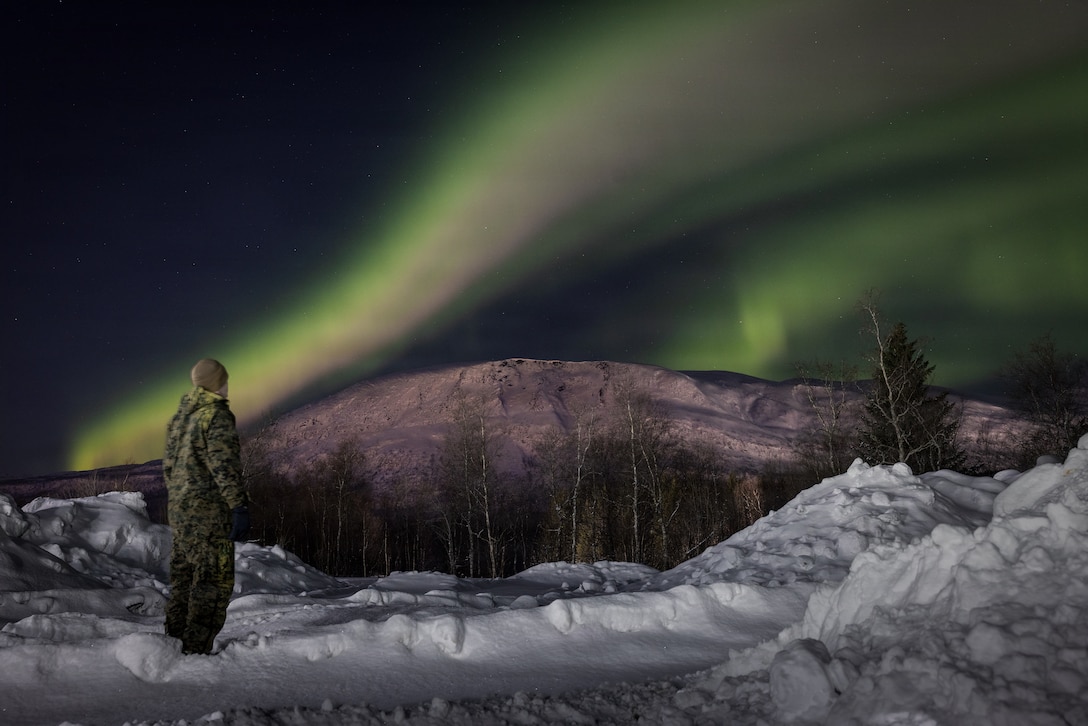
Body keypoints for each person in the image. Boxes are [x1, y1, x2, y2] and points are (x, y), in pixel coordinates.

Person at [163, 358, 250, 655]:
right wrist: (238, 506)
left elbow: (168, 469)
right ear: (217, 382)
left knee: (184, 582)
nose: (228, 386)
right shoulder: (216, 415)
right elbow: (223, 466)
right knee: (212, 582)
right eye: (225, 380)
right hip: (210, 514)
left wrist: (181, 502)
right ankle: (195, 652)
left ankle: (173, 645)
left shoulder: (180, 418)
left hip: (181, 512)